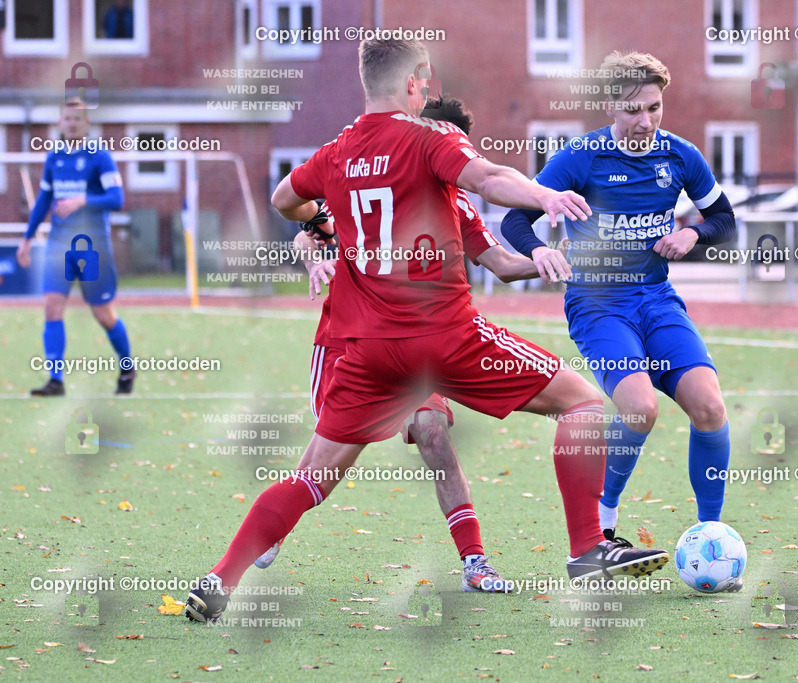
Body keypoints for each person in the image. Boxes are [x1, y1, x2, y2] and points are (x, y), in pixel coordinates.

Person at [185, 38, 668, 623]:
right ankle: (588, 548)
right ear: (415, 82)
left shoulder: (336, 151)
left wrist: (313, 220)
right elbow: (488, 178)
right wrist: (544, 194)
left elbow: (285, 197)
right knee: (584, 404)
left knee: (311, 479)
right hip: (442, 336)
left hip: (367, 351)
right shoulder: (428, 137)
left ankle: (219, 580)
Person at [253, 96, 548, 594]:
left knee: (432, 432)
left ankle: (474, 561)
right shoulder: (366, 174)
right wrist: (313, 261)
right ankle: (272, 526)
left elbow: (500, 263)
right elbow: (309, 229)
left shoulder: (455, 205)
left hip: (418, 346)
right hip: (347, 342)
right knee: (325, 469)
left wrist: (558, 259)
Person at [501, 51, 737, 563]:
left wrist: (693, 232)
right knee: (639, 409)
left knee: (711, 407)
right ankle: (603, 524)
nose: (646, 121)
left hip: (656, 300)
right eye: (634, 110)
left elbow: (724, 218)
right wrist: (538, 249)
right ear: (610, 105)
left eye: (654, 108)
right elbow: (515, 221)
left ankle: (710, 538)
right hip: (599, 304)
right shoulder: (579, 158)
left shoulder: (680, 155)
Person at [16, 99, 134, 396]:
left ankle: (127, 366)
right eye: (67, 118)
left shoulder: (100, 157)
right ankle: (55, 380)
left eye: (77, 119)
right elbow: (43, 201)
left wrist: (83, 200)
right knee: (52, 307)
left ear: (86, 124)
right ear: (60, 122)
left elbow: (117, 199)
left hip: (92, 248)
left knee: (103, 314)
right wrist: (27, 239)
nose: (71, 123)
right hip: (59, 246)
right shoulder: (54, 158)